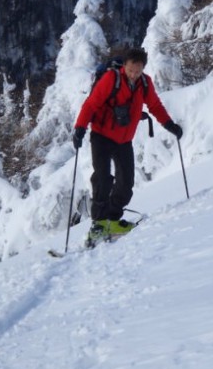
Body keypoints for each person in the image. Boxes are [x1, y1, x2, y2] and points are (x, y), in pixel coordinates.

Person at [72, 47, 183, 246]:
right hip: (101, 136)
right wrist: (79, 128)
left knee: (126, 183)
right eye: (131, 70)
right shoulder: (111, 79)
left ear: (143, 69)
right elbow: (91, 104)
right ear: (125, 65)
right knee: (102, 179)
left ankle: (113, 220)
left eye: (138, 71)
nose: (133, 74)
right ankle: (97, 224)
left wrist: (170, 125)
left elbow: (155, 106)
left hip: (124, 140)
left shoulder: (145, 84)